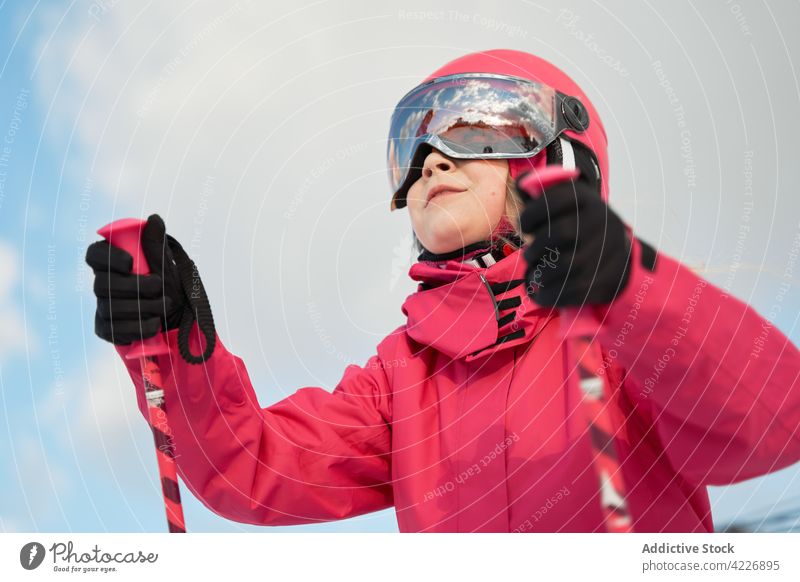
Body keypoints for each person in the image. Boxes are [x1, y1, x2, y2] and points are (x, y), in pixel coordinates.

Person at [85, 48, 800, 533]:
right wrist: (174, 351)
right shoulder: (402, 376)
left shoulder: (630, 323)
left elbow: (773, 429)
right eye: (416, 150)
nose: (432, 164)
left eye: (474, 133)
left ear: (561, 158)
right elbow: (248, 470)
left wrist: (625, 287)